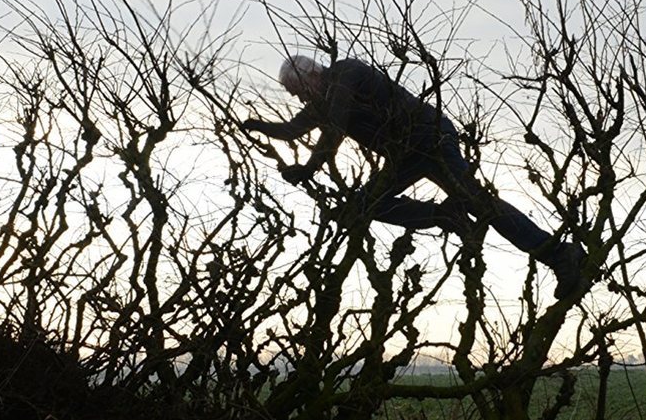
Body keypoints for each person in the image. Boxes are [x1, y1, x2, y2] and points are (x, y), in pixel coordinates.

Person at [240, 55, 586, 299]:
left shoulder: (346, 73)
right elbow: (291, 129)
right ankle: (443, 215)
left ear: (311, 75)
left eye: (297, 90)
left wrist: (310, 167)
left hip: (430, 140)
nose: (298, 98)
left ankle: (559, 255)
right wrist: (256, 126)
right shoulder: (322, 103)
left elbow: (337, 124)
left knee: (479, 202)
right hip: (404, 155)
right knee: (366, 205)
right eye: (293, 95)